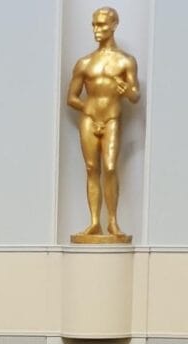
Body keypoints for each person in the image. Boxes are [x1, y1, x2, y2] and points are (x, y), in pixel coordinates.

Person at [66, 7, 140, 241]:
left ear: (114, 25)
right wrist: (89, 111)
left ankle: (113, 222)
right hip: (89, 119)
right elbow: (72, 98)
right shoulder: (85, 62)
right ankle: (94, 222)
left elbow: (135, 95)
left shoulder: (126, 61)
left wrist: (127, 90)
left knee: (109, 167)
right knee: (91, 168)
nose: (96, 30)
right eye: (94, 25)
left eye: (101, 25)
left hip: (111, 118)